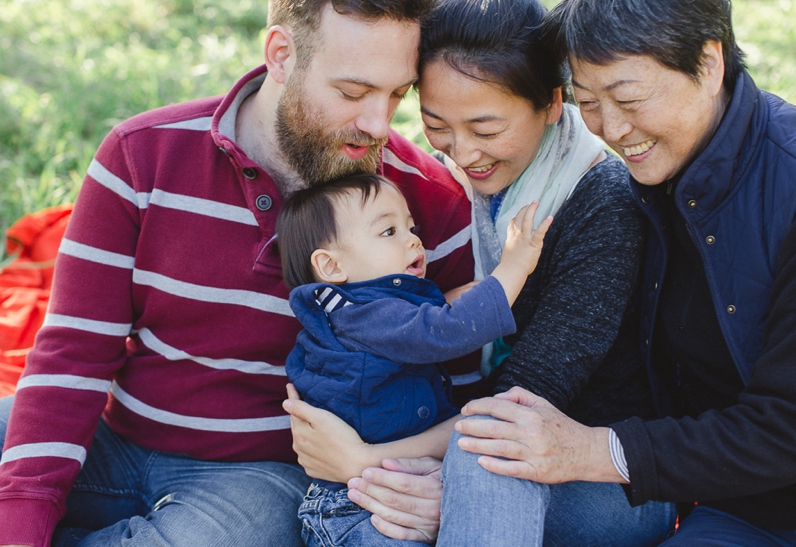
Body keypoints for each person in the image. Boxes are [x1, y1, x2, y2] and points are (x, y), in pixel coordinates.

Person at [0, 1, 481, 546]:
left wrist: (437, 479)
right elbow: (73, 354)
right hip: (113, 432)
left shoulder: (426, 202)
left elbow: (471, 384)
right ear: (282, 55)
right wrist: (20, 522)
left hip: (256, 477)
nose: (379, 123)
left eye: (397, 94)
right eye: (353, 93)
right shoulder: (141, 156)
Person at [282, 0, 674, 544]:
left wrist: (367, 462)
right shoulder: (443, 191)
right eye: (436, 125)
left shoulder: (600, 203)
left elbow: (526, 397)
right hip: (466, 446)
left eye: (486, 129)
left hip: (598, 482)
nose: (462, 153)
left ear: (553, 103)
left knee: (482, 464)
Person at [443, 0, 796, 545]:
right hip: (737, 506)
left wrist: (592, 449)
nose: (612, 128)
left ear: (708, 64)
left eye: (628, 98)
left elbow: (785, 428)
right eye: (590, 103)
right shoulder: (650, 181)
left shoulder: (781, 180)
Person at [278, 173, 550, 546]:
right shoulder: (360, 315)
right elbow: (443, 333)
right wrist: (515, 265)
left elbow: (411, 326)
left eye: (410, 226)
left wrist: (447, 301)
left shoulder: (356, 315)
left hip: (382, 493)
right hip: (355, 508)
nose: (413, 239)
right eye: (388, 232)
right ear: (330, 267)